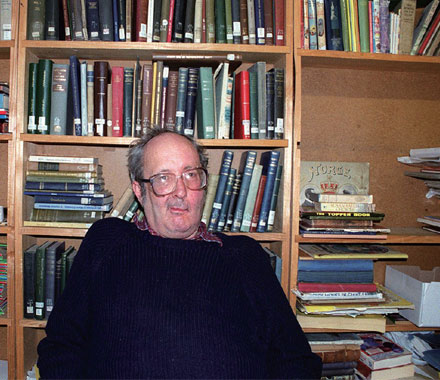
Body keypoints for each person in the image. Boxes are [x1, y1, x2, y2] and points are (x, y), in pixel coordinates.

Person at [37, 127, 322, 379]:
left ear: (204, 184)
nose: (181, 191)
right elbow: (62, 346)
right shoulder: (108, 243)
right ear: (139, 190)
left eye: (190, 175)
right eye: (163, 178)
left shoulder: (244, 256)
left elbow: (295, 361)